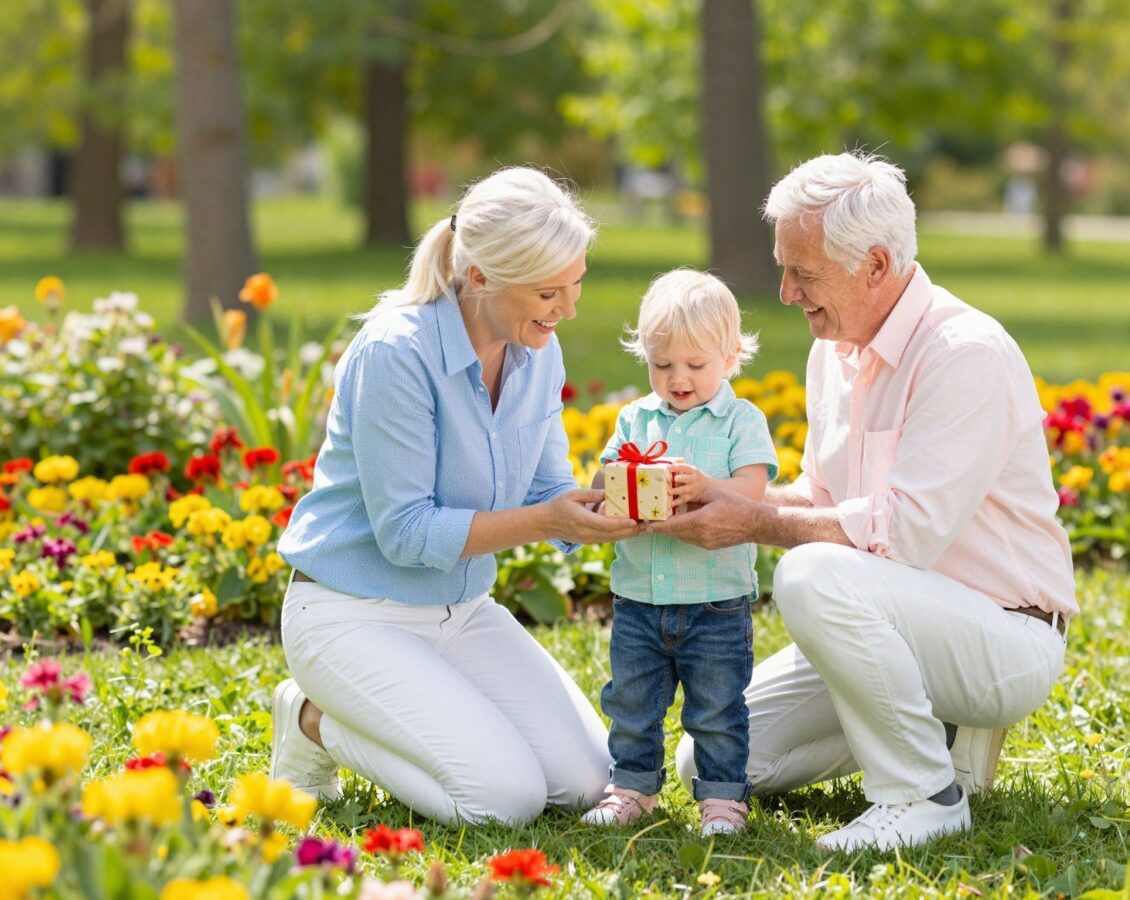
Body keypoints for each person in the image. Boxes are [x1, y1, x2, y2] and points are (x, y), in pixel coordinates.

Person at [657, 152, 1077, 852]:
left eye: (805, 272)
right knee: (709, 760)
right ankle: (935, 730)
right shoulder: (837, 348)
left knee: (809, 573)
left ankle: (924, 794)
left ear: (876, 265)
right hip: (901, 619)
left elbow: (903, 535)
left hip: (1005, 637)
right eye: (783, 267)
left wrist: (754, 524)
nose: (787, 292)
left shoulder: (963, 352)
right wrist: (711, 497)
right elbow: (821, 499)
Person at [270, 167, 643, 826]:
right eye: (549, 292)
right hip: (352, 615)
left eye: (575, 285)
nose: (568, 308)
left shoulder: (537, 350)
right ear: (479, 279)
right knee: (504, 802)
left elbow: (547, 488)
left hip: (460, 610)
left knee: (590, 781)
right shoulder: (396, 354)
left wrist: (598, 513)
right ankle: (309, 720)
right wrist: (542, 521)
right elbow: (407, 534)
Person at [580, 269, 778, 836]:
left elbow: (752, 492)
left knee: (716, 708)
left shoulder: (742, 420)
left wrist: (705, 487)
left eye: (695, 365)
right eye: (662, 365)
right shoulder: (635, 418)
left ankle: (721, 799)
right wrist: (618, 483)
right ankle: (632, 788)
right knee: (632, 702)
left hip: (715, 602)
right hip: (640, 595)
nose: (678, 378)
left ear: (731, 354)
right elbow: (605, 476)